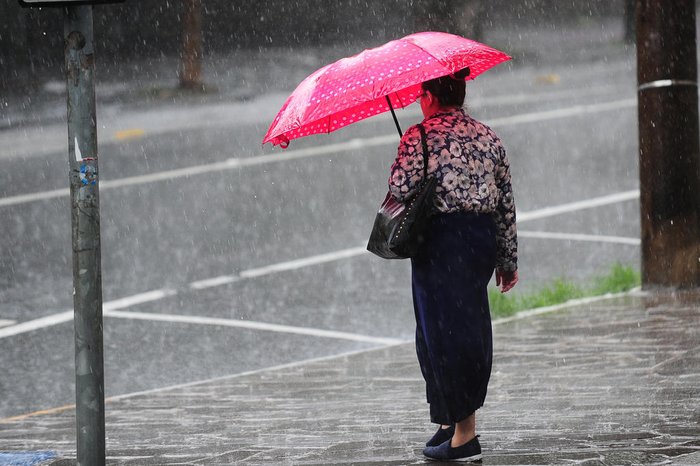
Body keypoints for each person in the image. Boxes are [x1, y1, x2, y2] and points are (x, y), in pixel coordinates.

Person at [388, 68, 518, 462]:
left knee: (440, 334)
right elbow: (505, 204)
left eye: (420, 94)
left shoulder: (418, 136)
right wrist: (508, 260)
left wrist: (410, 153)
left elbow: (398, 190)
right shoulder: (488, 136)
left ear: (429, 96)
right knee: (461, 327)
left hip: (440, 242)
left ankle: (466, 435)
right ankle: (449, 421)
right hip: (478, 241)